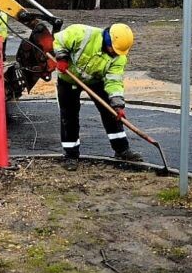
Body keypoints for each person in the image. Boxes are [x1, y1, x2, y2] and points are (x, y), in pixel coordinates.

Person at [51, 23, 142, 170]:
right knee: (69, 116)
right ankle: (71, 155)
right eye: (114, 50)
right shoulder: (81, 33)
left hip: (95, 80)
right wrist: (62, 57)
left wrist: (117, 104)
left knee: (111, 112)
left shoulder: (119, 57)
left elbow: (114, 81)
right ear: (108, 40)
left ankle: (122, 150)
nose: (115, 53)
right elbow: (59, 40)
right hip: (68, 79)